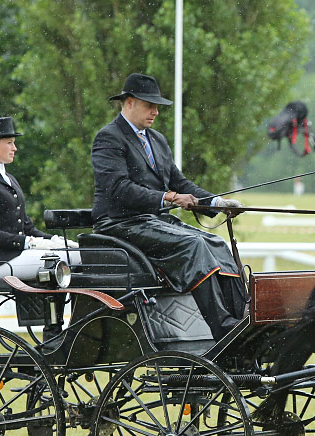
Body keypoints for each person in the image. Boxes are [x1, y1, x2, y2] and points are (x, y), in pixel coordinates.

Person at [91, 73, 246, 341]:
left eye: (157, 106)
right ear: (128, 103)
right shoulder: (109, 138)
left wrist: (217, 203)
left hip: (155, 223)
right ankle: (222, 327)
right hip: (120, 224)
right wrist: (170, 198)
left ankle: (242, 317)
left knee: (215, 243)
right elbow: (118, 190)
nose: (155, 112)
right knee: (193, 245)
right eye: (149, 105)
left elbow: (179, 182)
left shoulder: (157, 140)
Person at [0, 117, 79, 279]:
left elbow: (27, 228)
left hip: (17, 255)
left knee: (76, 253)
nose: (15, 148)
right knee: (71, 259)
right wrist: (28, 242)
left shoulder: (10, 179)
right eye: (9, 142)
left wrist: (54, 240)